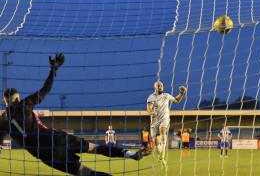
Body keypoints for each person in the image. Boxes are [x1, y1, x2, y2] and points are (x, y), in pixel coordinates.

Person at [0, 53, 151, 176]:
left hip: (47, 156)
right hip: (56, 139)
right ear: (18, 98)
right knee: (95, 148)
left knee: (86, 173)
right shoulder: (24, 105)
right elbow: (45, 89)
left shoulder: (2, 122)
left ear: (4, 101)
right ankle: (131, 154)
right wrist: (53, 69)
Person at [146, 81, 186, 171]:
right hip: (154, 122)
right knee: (156, 141)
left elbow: (176, 100)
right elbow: (148, 109)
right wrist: (152, 112)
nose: (160, 87)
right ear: (155, 88)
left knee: (163, 130)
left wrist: (182, 93)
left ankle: (163, 154)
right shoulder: (151, 97)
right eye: (158, 86)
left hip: (165, 119)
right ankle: (162, 159)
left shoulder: (166, 96)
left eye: (161, 86)